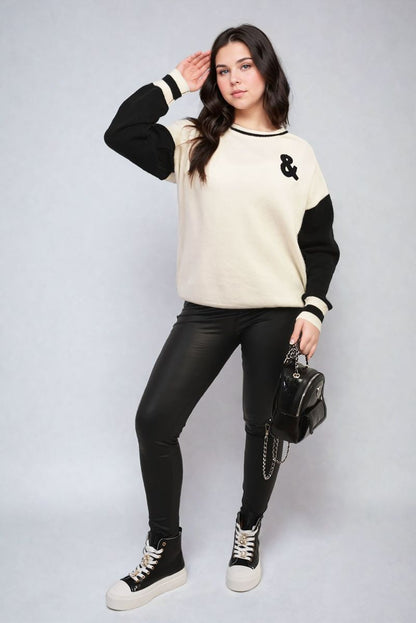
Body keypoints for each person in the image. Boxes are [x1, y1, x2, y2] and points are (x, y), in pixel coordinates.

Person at [103, 23, 339, 611]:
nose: (234, 79)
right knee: (155, 421)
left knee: (263, 427)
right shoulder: (194, 139)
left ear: (267, 70)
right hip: (206, 311)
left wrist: (314, 309)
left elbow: (321, 245)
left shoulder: (298, 154)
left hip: (276, 312)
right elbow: (121, 132)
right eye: (222, 69)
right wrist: (173, 83)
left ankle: (247, 530)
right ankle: (166, 552)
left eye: (244, 66)